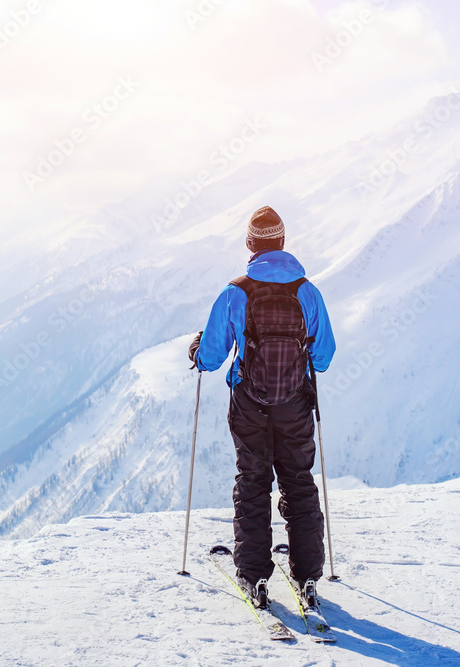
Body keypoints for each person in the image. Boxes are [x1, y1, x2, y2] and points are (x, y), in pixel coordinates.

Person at [188, 205, 336, 609]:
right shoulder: (306, 291)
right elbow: (324, 355)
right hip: (295, 405)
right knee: (299, 483)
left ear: (251, 245)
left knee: (252, 484)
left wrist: (197, 351)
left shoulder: (236, 291)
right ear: (283, 242)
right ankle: (308, 575)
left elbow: (213, 355)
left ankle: (253, 575)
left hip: (249, 405)